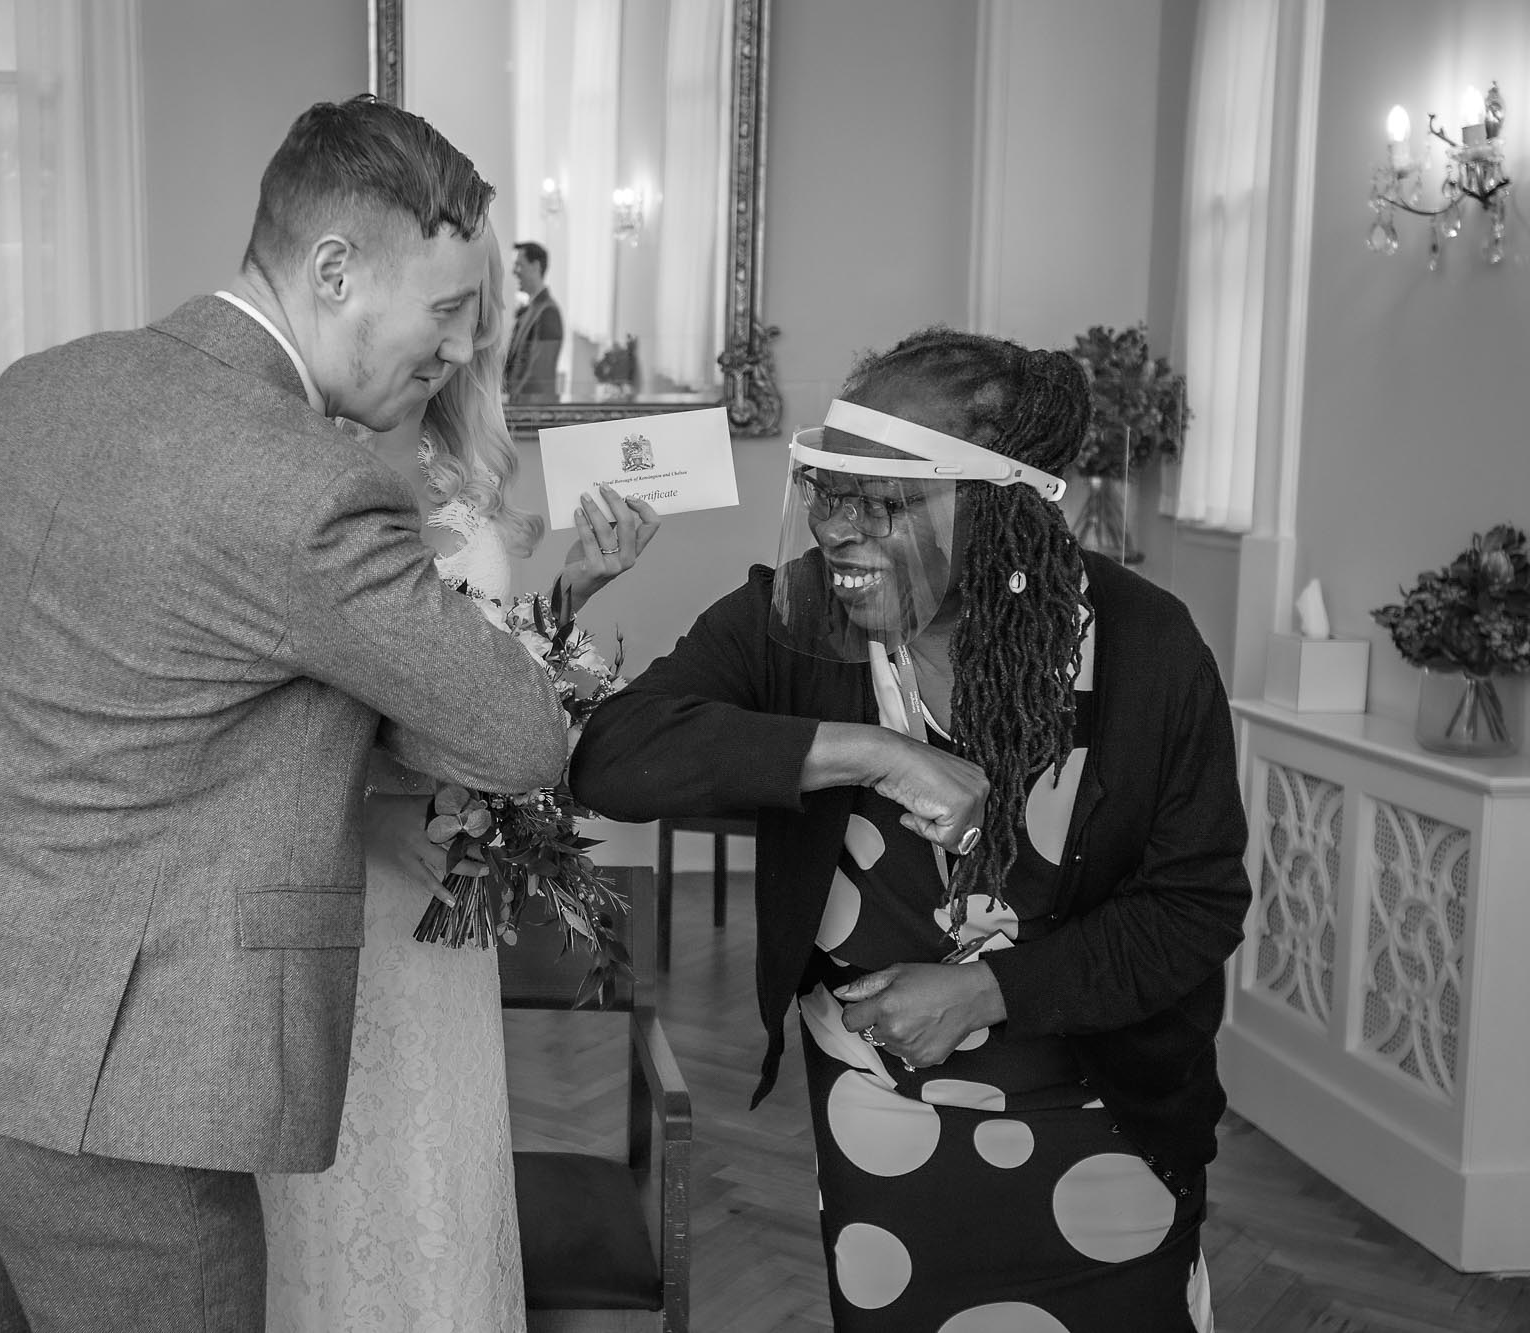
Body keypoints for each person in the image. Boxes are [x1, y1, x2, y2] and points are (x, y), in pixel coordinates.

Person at [0, 96, 572, 1332]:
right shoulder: (307, 483)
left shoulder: (43, 386)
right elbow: (520, 735)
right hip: (93, 1094)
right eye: (444, 311)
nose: (460, 349)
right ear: (332, 269)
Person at [570, 328, 1250, 1332]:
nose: (836, 528)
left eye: (881, 502)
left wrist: (985, 989)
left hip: (1103, 1121)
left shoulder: (1145, 647)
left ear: (1000, 512)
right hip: (878, 1124)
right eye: (824, 491)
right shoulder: (794, 617)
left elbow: (1194, 908)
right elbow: (611, 756)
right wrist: (871, 752)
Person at [259, 228, 659, 1333]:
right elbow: (272, 701)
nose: (458, 334)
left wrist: (573, 585)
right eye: (444, 307)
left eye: (473, 310)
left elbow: (483, 669)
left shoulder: (460, 458)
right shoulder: (296, 446)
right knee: (332, 1168)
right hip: (338, 870)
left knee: (435, 1159)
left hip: (447, 886)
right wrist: (376, 812)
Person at [503, 240, 564, 401]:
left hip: (532, 413)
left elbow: (537, 376)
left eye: (519, 265)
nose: (514, 271)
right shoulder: (532, 308)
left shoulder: (548, 313)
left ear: (536, 267)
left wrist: (512, 404)